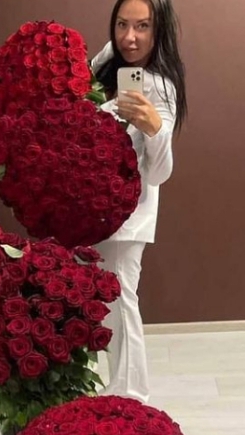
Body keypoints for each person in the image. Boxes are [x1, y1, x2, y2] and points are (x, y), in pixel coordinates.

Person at [90, 0, 187, 403]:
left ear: (158, 29)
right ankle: (114, 388)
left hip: (128, 217)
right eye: (122, 25)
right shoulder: (108, 62)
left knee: (120, 302)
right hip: (93, 209)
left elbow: (160, 173)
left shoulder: (160, 87)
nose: (130, 37)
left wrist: (155, 129)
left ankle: (130, 396)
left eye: (142, 26)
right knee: (103, 302)